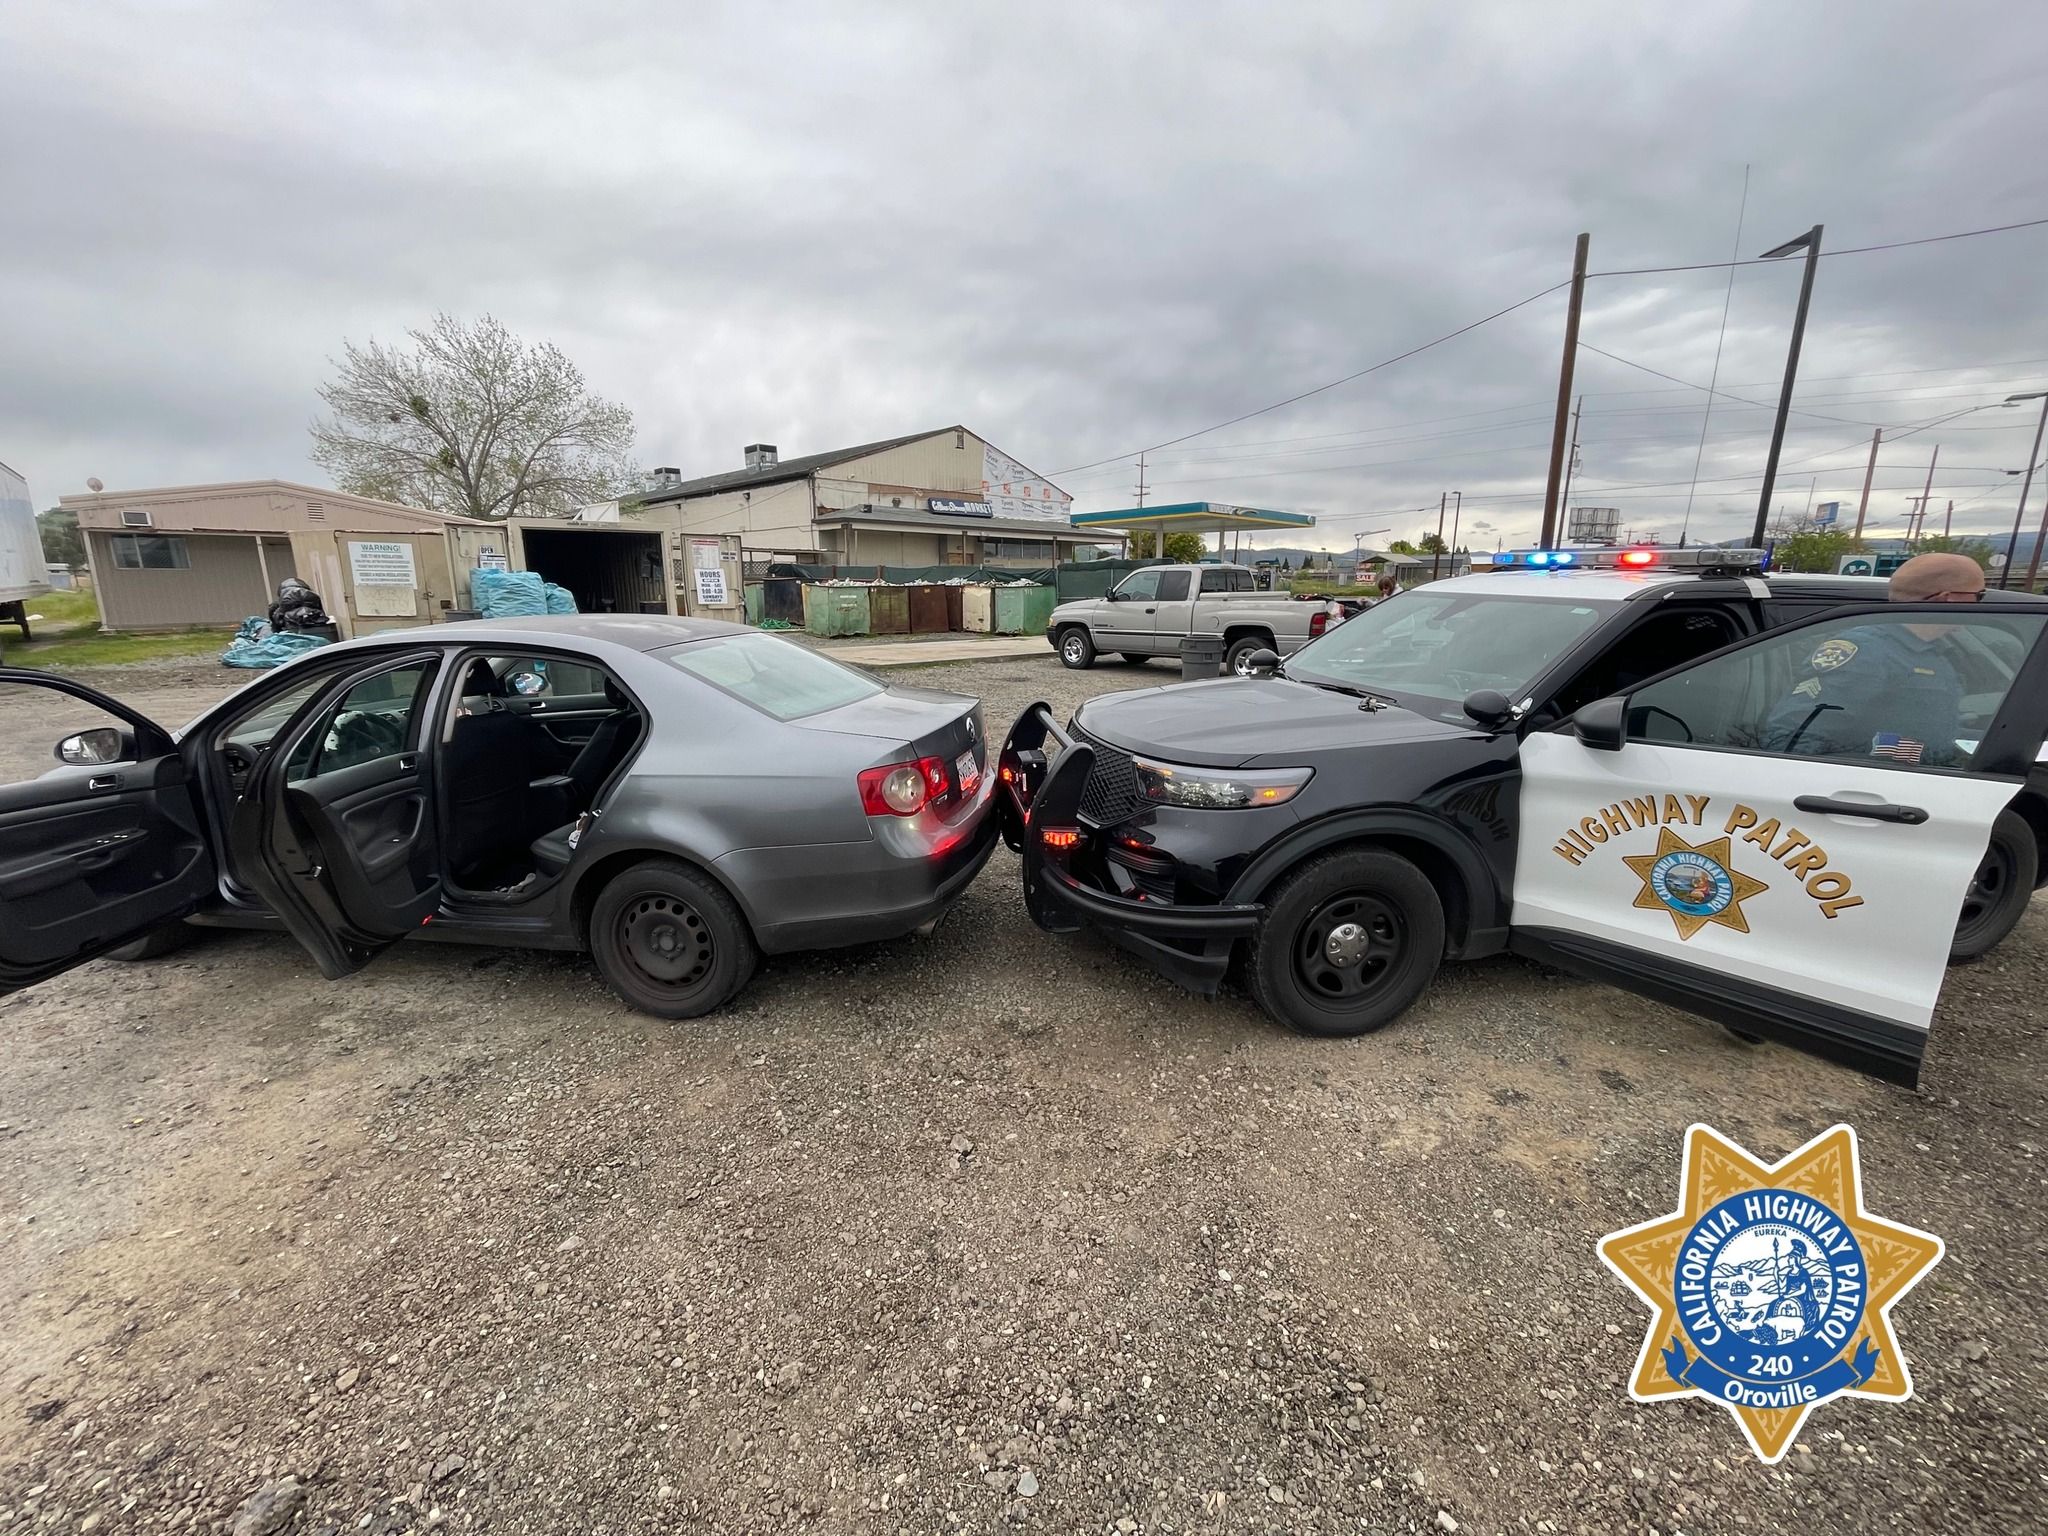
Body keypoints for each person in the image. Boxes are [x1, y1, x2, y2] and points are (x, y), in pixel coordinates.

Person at [1761, 552, 1985, 765]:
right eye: (1979, 595)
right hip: (1870, 792)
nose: (1980, 604)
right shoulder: (1867, 653)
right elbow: (1793, 739)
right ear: (1950, 599)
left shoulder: (1933, 652)